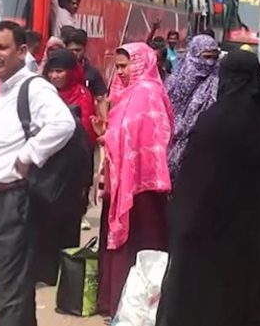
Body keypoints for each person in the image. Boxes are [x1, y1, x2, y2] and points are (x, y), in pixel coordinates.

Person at [157, 51, 260, 326]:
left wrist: (179, 222)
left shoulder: (213, 124)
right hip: (256, 240)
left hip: (211, 240)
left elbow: (194, 189)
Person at [0, 21, 76, 326]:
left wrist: (28, 155)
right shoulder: (7, 89)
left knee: (12, 295)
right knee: (13, 290)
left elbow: (63, 124)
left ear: (21, 51)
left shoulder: (33, 87)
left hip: (13, 203)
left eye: (2, 47)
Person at [95, 43, 173, 318]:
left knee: (140, 244)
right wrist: (106, 131)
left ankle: (134, 305)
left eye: (124, 66)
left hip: (142, 184)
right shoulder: (127, 92)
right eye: (117, 67)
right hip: (124, 181)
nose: (120, 72)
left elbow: (145, 135)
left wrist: (108, 132)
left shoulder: (146, 92)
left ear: (140, 64)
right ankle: (118, 303)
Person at [36, 49, 96, 285]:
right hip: (46, 170)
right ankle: (45, 272)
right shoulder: (42, 95)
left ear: (71, 72)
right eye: (51, 71)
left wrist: (84, 180)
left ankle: (67, 274)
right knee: (44, 223)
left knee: (69, 223)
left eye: (60, 71)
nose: (55, 76)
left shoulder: (82, 96)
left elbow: (87, 138)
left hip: (72, 170)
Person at [165, 35, 220, 183]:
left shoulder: (218, 83)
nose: (210, 62)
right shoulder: (175, 81)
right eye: (206, 57)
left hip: (199, 151)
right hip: (170, 146)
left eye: (214, 57)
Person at [65, 29, 109, 120]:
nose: (74, 53)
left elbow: (101, 100)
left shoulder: (92, 72)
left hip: (86, 120)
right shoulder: (60, 73)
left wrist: (105, 121)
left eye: (78, 50)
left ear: (84, 50)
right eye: (71, 50)